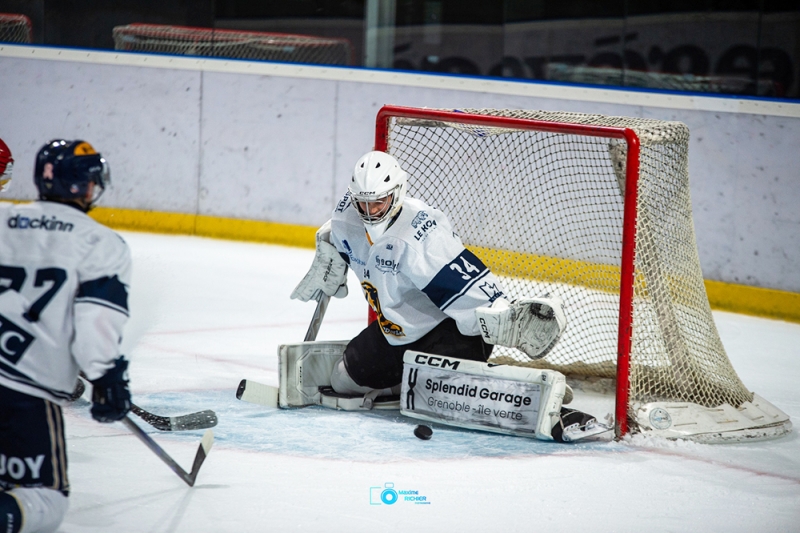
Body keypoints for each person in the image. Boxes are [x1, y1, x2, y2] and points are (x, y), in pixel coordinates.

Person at [290, 150, 568, 404]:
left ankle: (510, 392)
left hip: (452, 332)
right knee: (343, 380)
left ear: (397, 193)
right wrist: (329, 249)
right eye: (363, 203)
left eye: (378, 202)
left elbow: (468, 286)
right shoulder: (346, 218)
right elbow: (335, 231)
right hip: (398, 331)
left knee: (433, 387)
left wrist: (506, 318)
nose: (370, 211)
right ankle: (407, 387)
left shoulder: (422, 235)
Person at [0, 140, 132, 533]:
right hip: (23, 395)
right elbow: (95, 324)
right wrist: (107, 377)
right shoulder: (101, 242)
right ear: (84, 185)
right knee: (43, 499)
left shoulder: (3, 220)